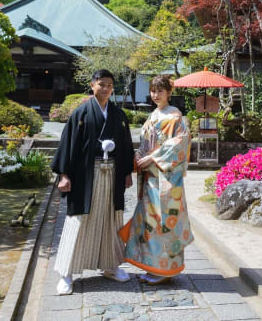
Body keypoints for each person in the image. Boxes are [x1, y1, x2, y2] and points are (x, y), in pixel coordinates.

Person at [50, 69, 135, 295]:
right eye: (101, 84)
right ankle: (66, 273)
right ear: (92, 85)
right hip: (86, 175)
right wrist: (64, 174)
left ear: (112, 88)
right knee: (80, 219)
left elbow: (126, 146)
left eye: (109, 85)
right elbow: (67, 145)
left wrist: (127, 172)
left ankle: (111, 266)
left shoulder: (118, 115)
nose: (105, 88)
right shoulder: (80, 113)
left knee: (112, 219)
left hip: (113, 174)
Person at [120, 75, 193, 284]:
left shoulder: (176, 116)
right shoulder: (153, 115)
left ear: (169, 92)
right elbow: (145, 143)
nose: (156, 95)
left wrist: (152, 157)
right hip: (151, 177)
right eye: (153, 91)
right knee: (150, 222)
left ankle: (164, 270)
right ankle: (153, 266)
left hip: (166, 178)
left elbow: (180, 144)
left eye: (160, 91)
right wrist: (138, 157)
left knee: (165, 220)